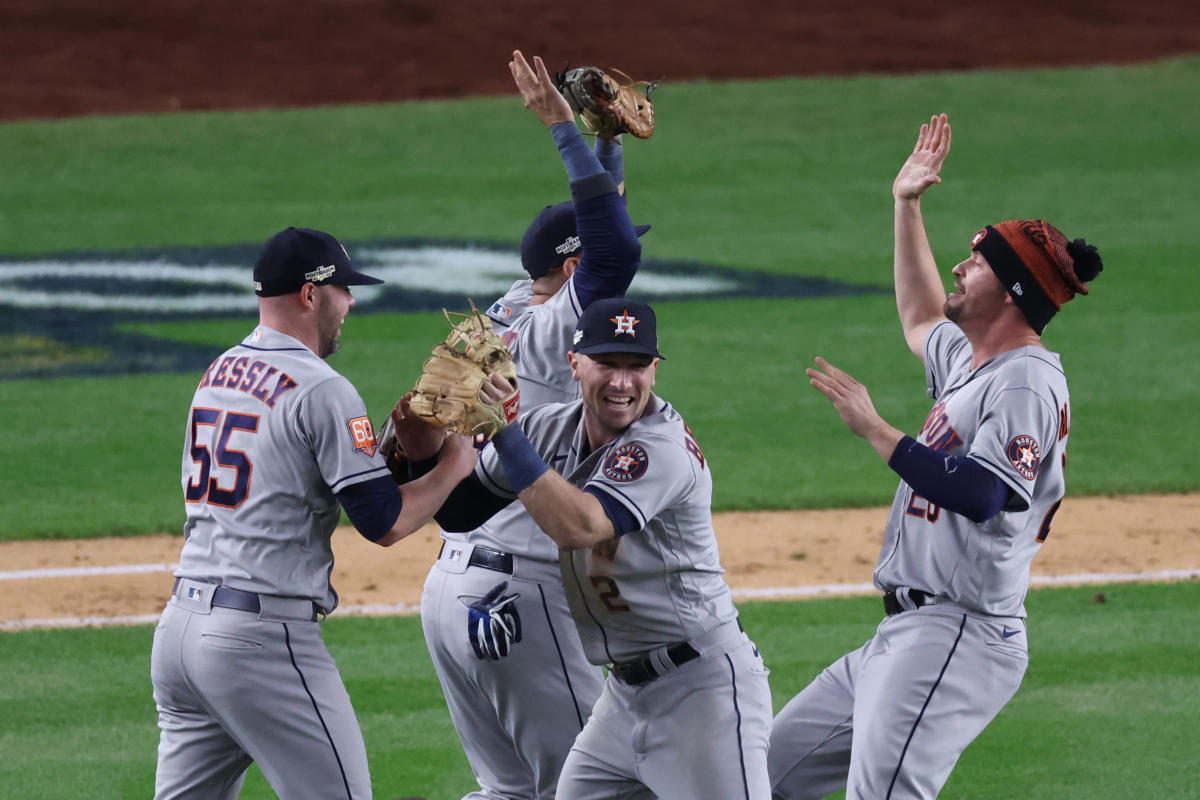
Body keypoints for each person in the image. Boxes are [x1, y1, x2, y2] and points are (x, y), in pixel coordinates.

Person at [768, 114, 1103, 799]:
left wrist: (877, 430)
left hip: (959, 634)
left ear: (1012, 291)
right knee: (761, 773)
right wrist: (906, 205)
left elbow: (985, 494)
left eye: (976, 262)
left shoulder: (1026, 381)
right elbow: (922, 315)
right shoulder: (974, 362)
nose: (959, 265)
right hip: (904, 635)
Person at [151, 226, 477, 800]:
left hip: (180, 633)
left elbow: (288, 472)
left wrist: (385, 447)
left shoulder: (218, 372)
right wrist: (455, 463)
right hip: (258, 641)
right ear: (310, 295)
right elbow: (386, 522)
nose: (350, 302)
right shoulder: (322, 387)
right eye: (343, 290)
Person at [406, 296, 774, 800]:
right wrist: (415, 439)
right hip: (625, 696)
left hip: (701, 690)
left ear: (654, 370)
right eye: (607, 364)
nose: (623, 382)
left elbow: (579, 526)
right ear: (574, 364)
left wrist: (504, 433)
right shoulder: (548, 427)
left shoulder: (660, 448)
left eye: (637, 366)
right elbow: (458, 512)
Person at [412, 50, 648, 799]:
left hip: (450, 590)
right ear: (576, 272)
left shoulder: (507, 311)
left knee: (512, 792)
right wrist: (562, 129)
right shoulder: (558, 330)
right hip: (522, 599)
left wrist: (605, 139)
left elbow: (596, 233)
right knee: (596, 789)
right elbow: (609, 246)